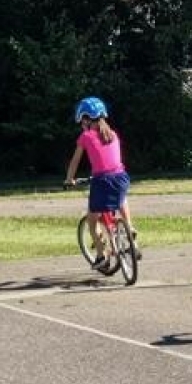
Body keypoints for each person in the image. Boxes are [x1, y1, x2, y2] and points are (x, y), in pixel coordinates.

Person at [65, 96, 139, 270]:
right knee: (121, 199)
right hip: (121, 176)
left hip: (102, 180)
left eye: (82, 122)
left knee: (92, 220)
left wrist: (70, 179)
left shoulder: (86, 136)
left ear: (85, 119)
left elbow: (75, 161)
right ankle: (129, 227)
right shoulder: (113, 134)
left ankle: (101, 256)